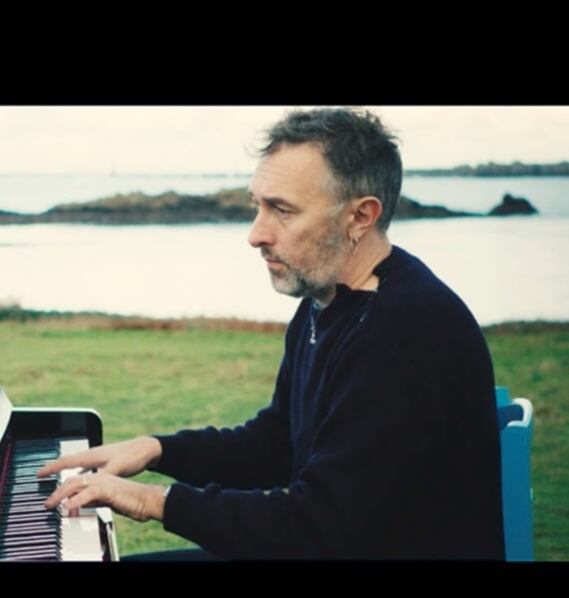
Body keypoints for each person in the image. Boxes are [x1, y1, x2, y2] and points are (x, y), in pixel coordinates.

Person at [37, 107, 506, 559]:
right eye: (257, 205)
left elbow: (318, 529)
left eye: (282, 210)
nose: (256, 234)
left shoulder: (405, 331)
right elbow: (279, 443)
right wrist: (156, 450)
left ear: (360, 217)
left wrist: (153, 501)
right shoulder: (327, 302)